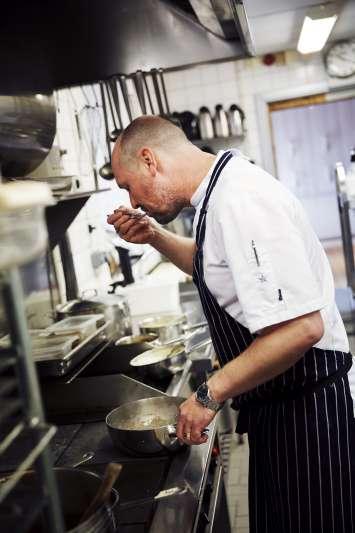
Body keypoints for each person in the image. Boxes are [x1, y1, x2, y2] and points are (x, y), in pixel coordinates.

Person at [107, 115, 355, 533]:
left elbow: (301, 329)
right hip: (281, 408)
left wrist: (208, 394)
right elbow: (211, 263)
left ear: (150, 160)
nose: (132, 201)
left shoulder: (240, 199)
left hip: (308, 418)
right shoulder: (218, 191)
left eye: (128, 186)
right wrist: (155, 236)